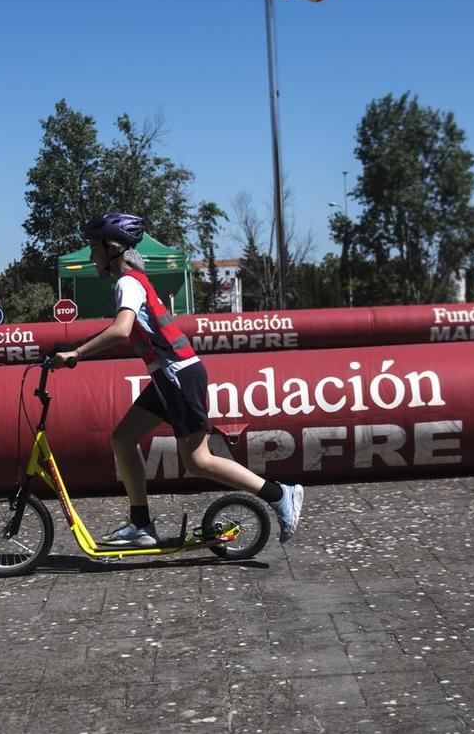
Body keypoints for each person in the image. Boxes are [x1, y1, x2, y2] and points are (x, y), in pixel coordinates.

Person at [48, 212, 303, 545]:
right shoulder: (133, 282)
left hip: (177, 376)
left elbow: (121, 330)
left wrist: (77, 354)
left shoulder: (127, 282)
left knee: (198, 460)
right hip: (169, 377)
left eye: (94, 247)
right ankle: (141, 526)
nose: (91, 254)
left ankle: (280, 494)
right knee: (123, 439)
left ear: (112, 249)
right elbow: (128, 330)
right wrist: (74, 347)